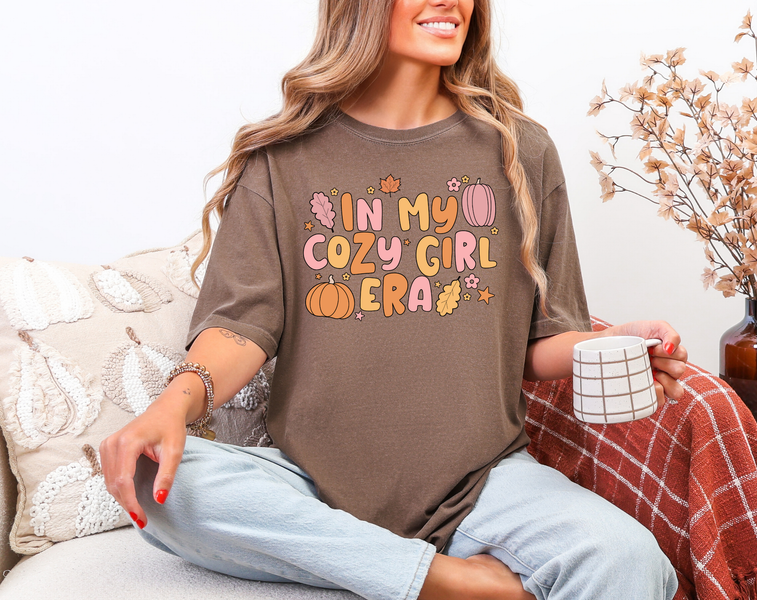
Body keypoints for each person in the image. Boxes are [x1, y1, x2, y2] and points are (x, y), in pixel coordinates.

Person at [99, 1, 688, 598]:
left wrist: (610, 344)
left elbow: (538, 342)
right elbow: (240, 326)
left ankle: (368, 564)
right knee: (156, 478)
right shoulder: (280, 159)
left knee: (627, 559)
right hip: (310, 484)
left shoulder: (520, 150)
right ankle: (456, 583)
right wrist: (173, 404)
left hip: (484, 486)